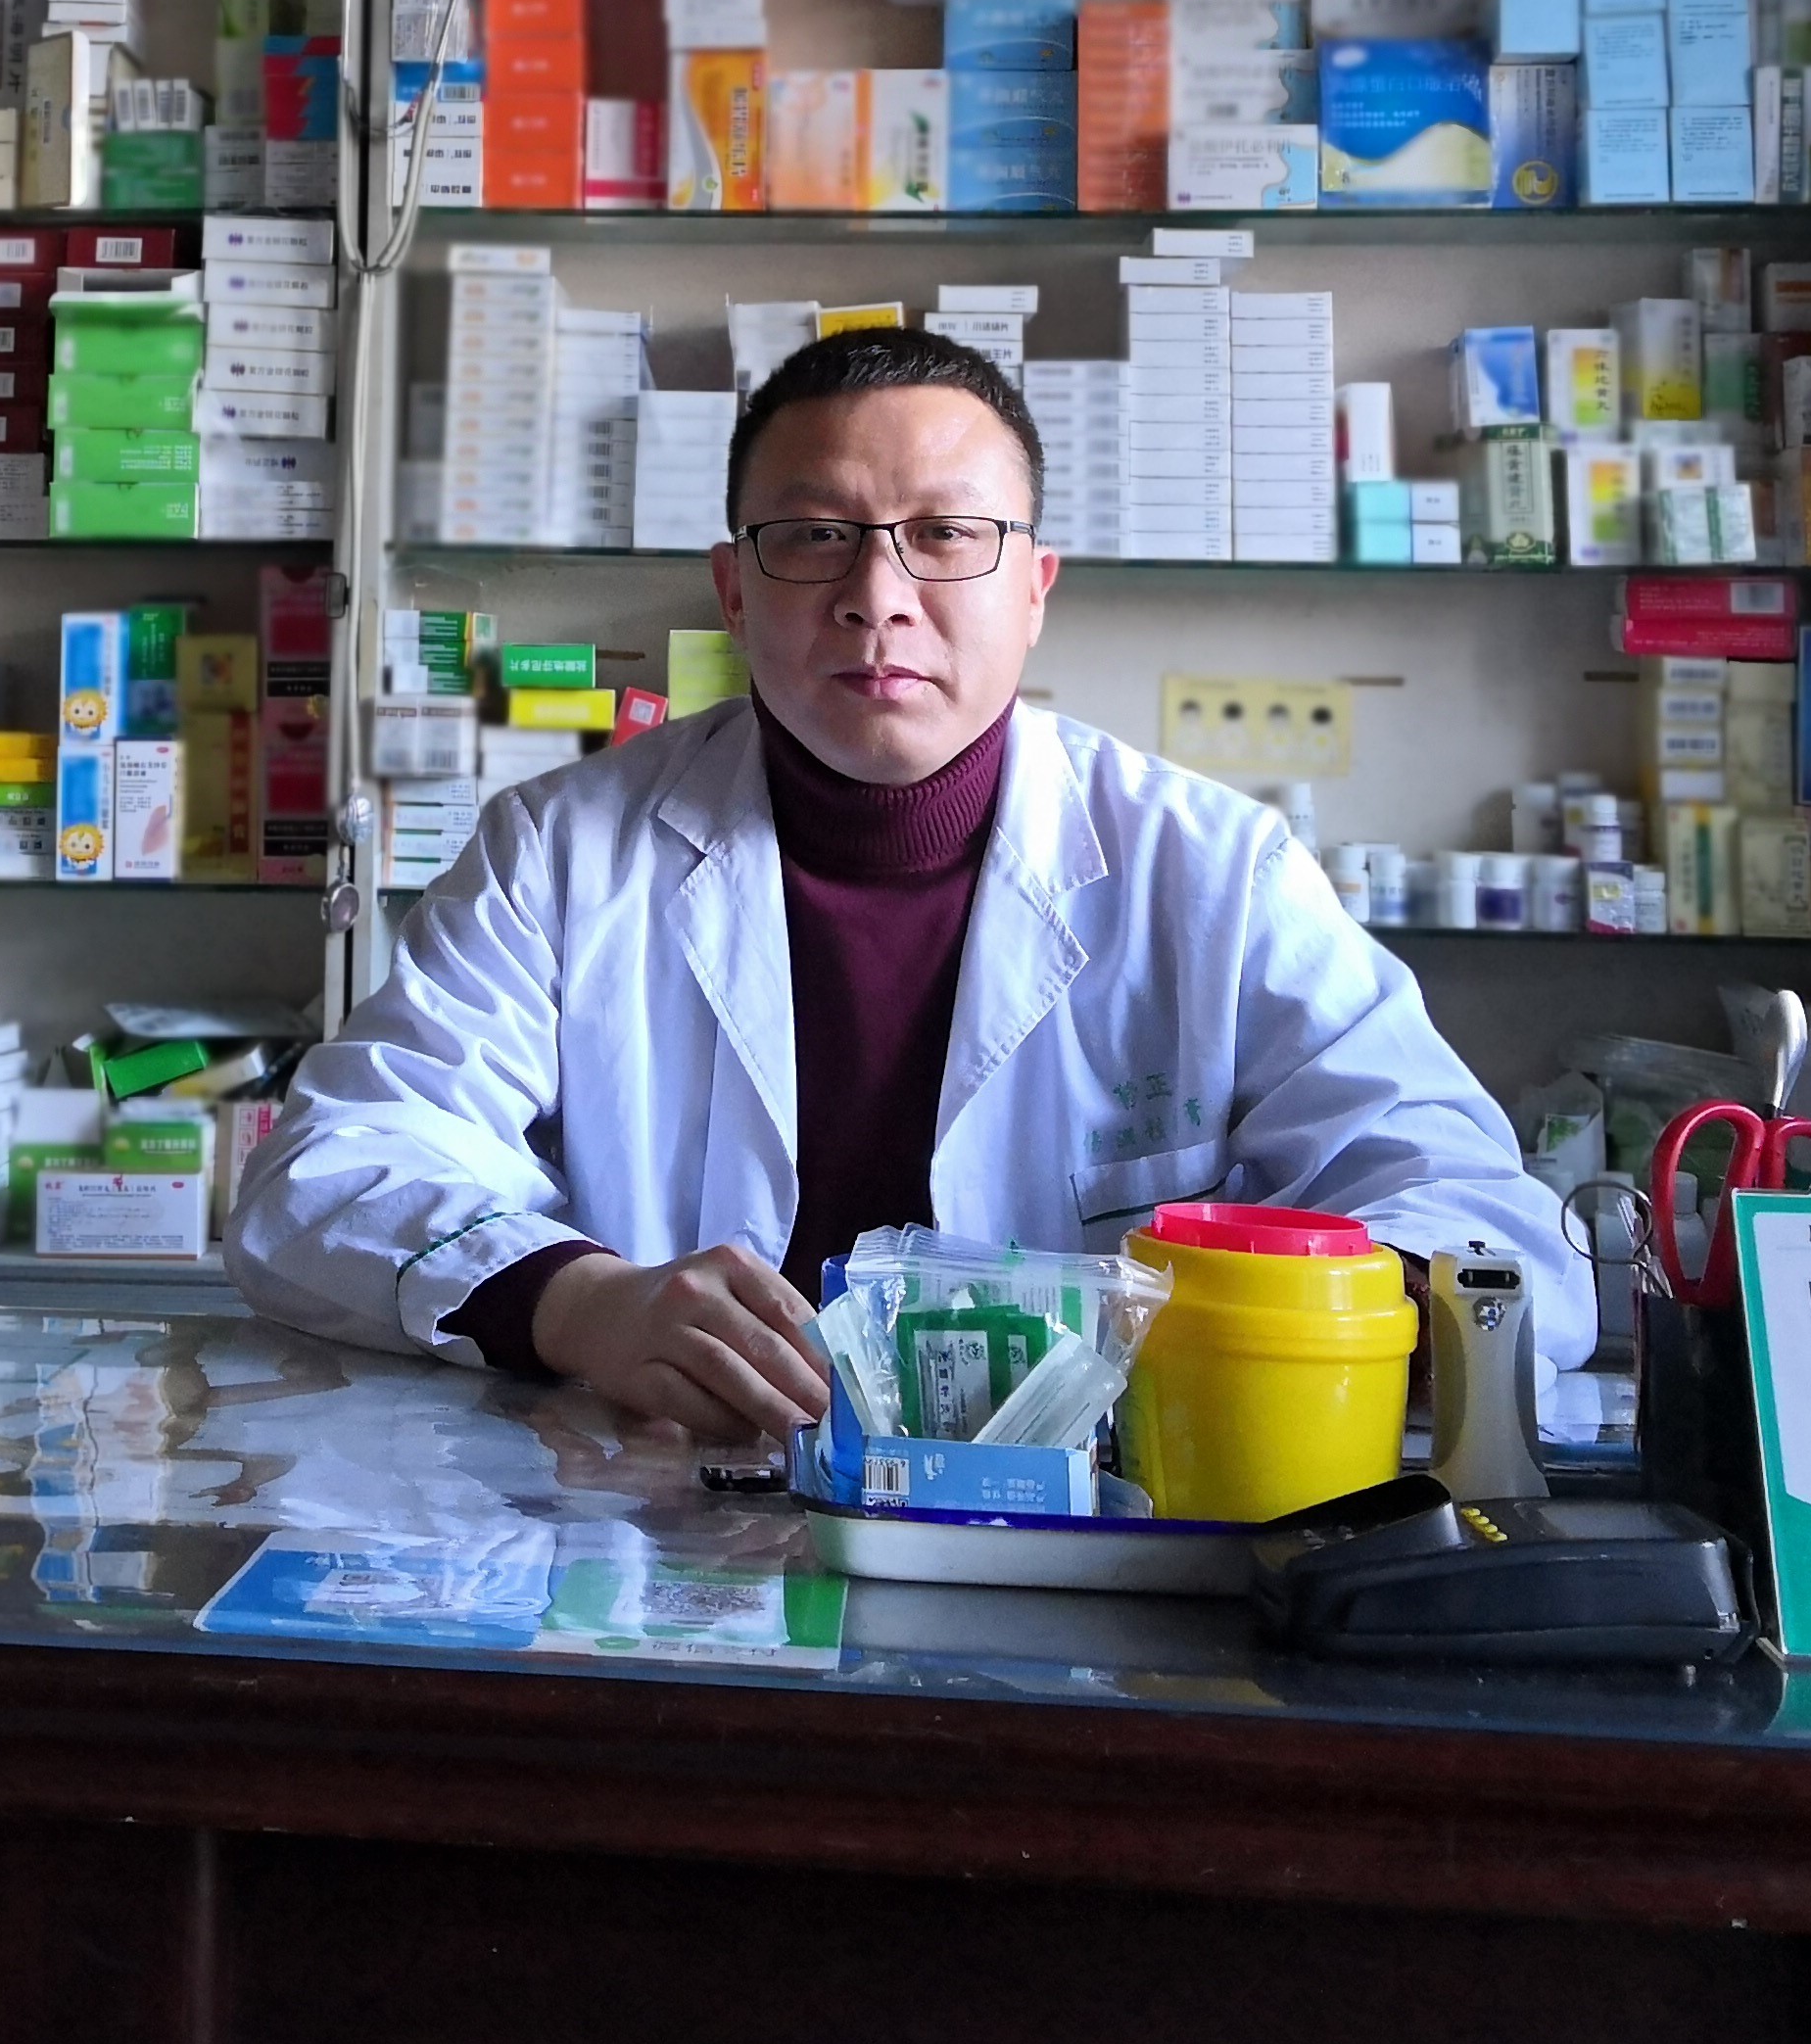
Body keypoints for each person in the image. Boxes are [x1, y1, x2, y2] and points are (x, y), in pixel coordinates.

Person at [228, 327, 1591, 1441]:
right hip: (665, 1525)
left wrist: (1268, 1320)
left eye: (944, 535)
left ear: (1036, 586)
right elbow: (328, 1174)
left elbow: (1488, 1229)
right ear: (734, 591)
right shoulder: (561, 851)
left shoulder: (1213, 871)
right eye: (815, 536)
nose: (877, 594)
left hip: (1106, 1526)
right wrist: (580, 1305)